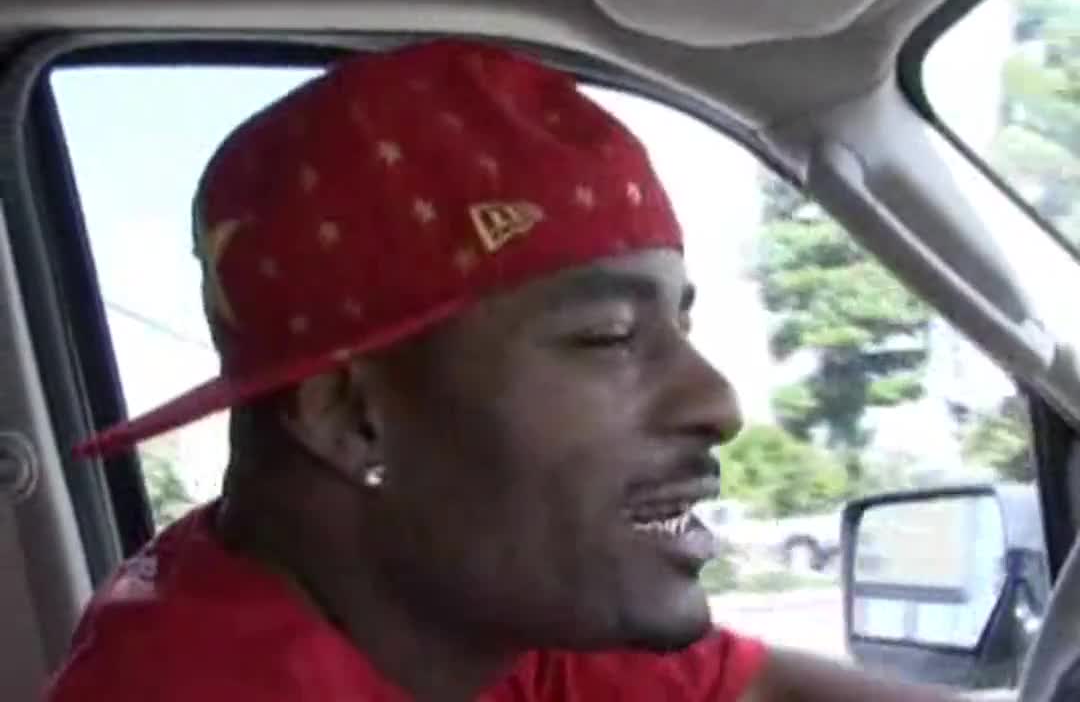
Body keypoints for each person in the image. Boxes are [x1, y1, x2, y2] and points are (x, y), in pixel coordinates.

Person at [45, 39, 955, 701]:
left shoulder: (467, 602)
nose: (717, 402)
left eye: (679, 324)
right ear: (353, 418)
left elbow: (759, 692)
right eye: (607, 335)